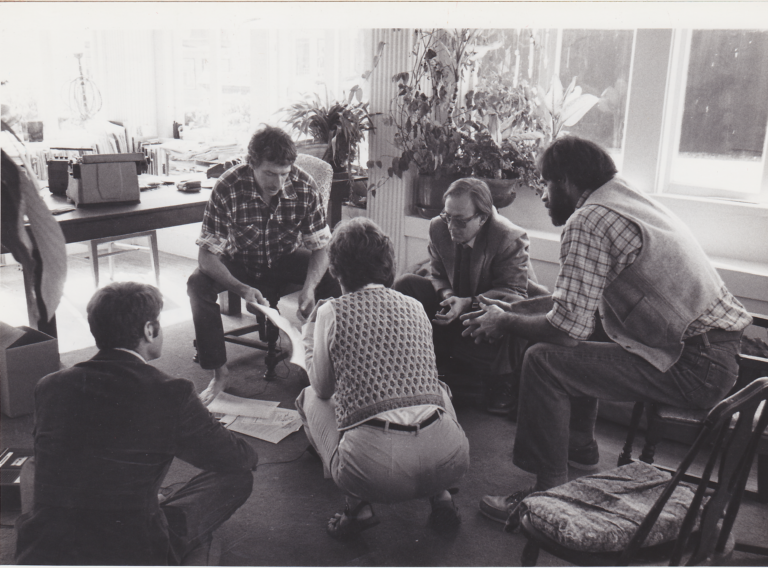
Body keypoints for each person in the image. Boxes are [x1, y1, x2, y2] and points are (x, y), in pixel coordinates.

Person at [462, 136, 752, 530]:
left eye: (545, 184)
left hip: (694, 366)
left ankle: (545, 496)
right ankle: (579, 443)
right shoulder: (621, 196)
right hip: (718, 351)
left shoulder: (588, 221)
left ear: (566, 181)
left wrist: (507, 322)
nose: (542, 196)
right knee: (590, 327)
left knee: (544, 360)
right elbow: (575, 306)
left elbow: (564, 331)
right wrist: (507, 311)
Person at [15, 282, 258, 565]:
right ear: (149, 331)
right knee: (238, 478)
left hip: (46, 546)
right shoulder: (172, 391)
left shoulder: (49, 385)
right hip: (131, 550)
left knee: (41, 467)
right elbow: (238, 459)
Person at [296, 217, 470, 538]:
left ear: (336, 270)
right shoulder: (416, 306)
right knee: (436, 389)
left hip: (377, 472)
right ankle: (442, 495)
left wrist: (309, 337)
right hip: (452, 456)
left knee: (308, 397)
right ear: (388, 265)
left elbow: (323, 387)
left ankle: (358, 508)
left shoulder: (330, 311)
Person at [187, 125, 340, 405]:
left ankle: (325, 366)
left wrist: (308, 289)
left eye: (284, 174)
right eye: (269, 173)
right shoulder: (228, 186)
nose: (277, 183)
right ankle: (219, 373)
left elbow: (321, 246)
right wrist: (240, 288)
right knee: (197, 283)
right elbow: (207, 256)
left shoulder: (304, 185)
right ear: (252, 163)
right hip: (239, 261)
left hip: (284, 257)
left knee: (332, 276)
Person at [395, 177, 533, 416]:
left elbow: (514, 294)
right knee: (405, 284)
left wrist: (469, 302)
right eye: (447, 216)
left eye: (460, 221)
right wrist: (449, 296)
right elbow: (436, 273)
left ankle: (502, 383)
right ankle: (409, 362)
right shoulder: (439, 226)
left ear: (482, 217)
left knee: (519, 313)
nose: (450, 227)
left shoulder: (509, 237)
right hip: (455, 301)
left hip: (488, 309)